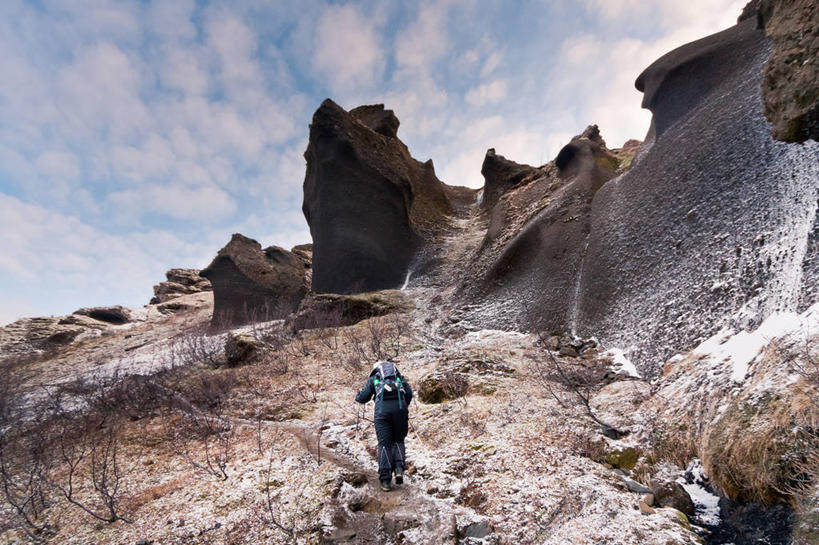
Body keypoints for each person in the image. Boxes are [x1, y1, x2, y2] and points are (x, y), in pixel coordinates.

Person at [355, 360, 413, 491]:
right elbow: (409, 394)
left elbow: (363, 397)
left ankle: (386, 481)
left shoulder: (375, 378)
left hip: (382, 412)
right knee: (399, 440)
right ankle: (398, 469)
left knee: (384, 444)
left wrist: (358, 396)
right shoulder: (399, 377)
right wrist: (403, 408)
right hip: (400, 410)